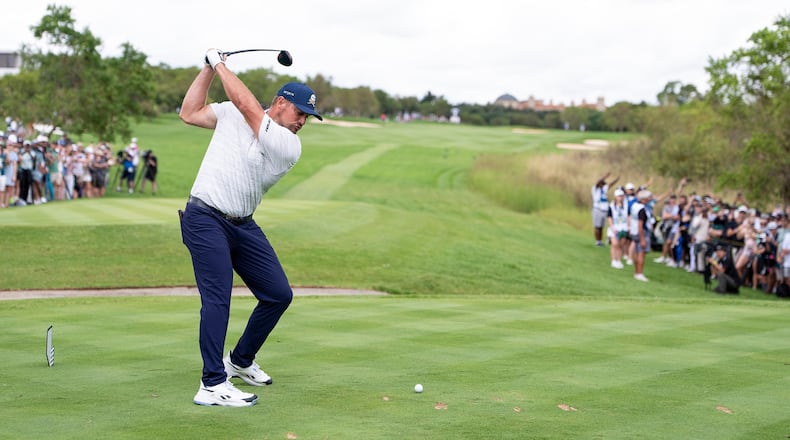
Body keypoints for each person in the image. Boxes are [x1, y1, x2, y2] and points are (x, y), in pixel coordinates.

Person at [179, 48, 322, 407]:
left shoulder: (288, 144)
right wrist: (208, 68)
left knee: (278, 294)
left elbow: (246, 107)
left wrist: (220, 62)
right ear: (280, 103)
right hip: (205, 218)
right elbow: (189, 113)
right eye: (300, 112)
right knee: (218, 299)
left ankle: (240, 361)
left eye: (309, 117)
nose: (303, 121)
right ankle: (212, 384)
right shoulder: (231, 114)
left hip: (242, 224)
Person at [632, 190, 655, 282]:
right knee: (641, 253)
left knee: (637, 253)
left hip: (634, 231)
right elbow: (640, 225)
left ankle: (636, 272)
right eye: (648, 197)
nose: (650, 199)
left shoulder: (635, 206)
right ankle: (639, 273)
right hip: (642, 233)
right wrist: (642, 239)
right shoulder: (642, 210)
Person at [592, 172, 619, 246]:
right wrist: (605, 176)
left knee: (602, 227)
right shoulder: (595, 189)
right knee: (597, 226)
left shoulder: (604, 190)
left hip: (604, 210)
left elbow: (610, 184)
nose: (603, 185)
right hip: (597, 209)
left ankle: (601, 241)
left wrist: (617, 179)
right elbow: (598, 182)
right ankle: (598, 241)